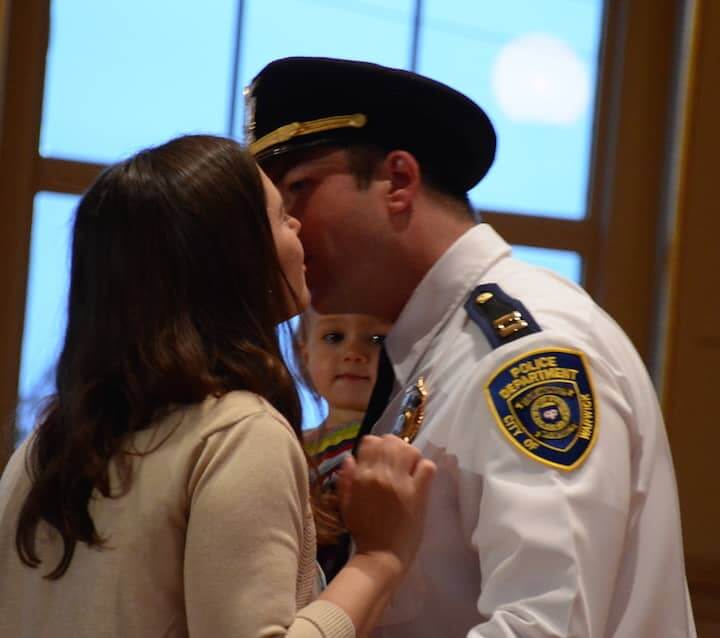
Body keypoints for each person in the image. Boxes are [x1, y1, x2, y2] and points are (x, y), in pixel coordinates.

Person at [245, 57, 697, 637]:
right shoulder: (432, 347)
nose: (286, 225)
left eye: (298, 189)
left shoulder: (523, 356)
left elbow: (543, 626)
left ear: (399, 181)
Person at [0, 134, 437, 638]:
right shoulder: (236, 433)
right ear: (234, 255)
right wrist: (380, 556)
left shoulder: (46, 442)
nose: (298, 225)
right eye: (279, 215)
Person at [294, 308, 392, 486]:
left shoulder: (403, 438)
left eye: (378, 339)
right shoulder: (292, 446)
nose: (353, 353)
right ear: (305, 356)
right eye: (334, 337)